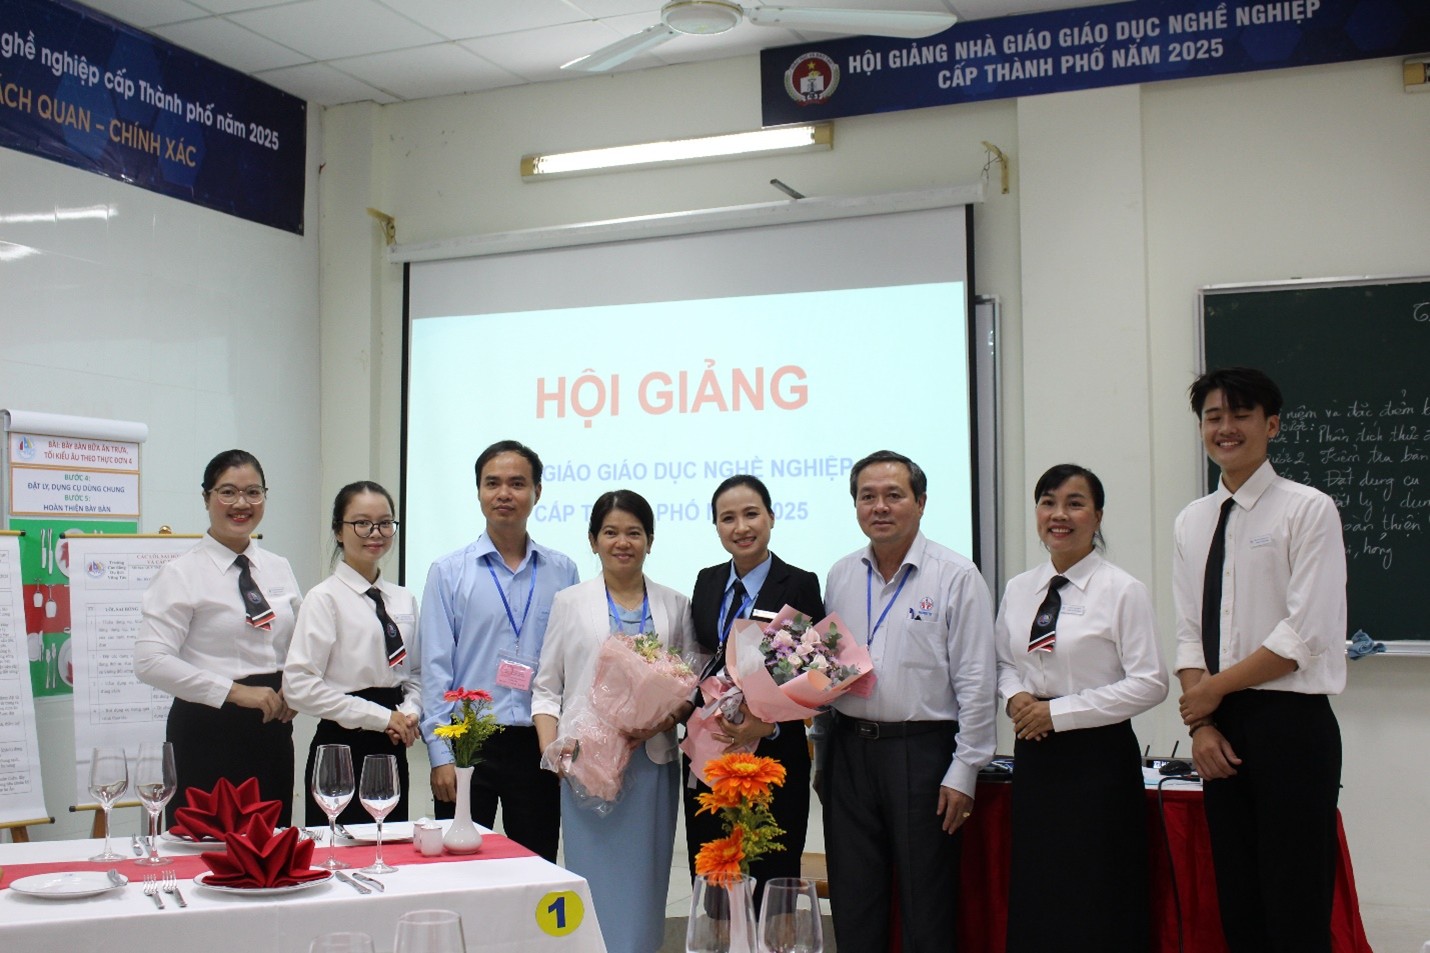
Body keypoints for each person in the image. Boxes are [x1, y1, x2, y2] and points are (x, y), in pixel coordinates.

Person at [1173, 367, 1347, 953]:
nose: (1225, 427)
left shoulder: (1308, 509)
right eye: (1213, 417)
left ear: (1271, 425)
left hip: (1291, 725)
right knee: (1239, 903)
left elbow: (1304, 635)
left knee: (1295, 904)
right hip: (1219, 729)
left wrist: (1211, 691)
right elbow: (1188, 632)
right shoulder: (1192, 520)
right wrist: (1201, 724)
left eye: (1241, 415)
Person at [821, 450, 996, 953]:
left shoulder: (956, 575)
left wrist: (965, 769)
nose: (880, 507)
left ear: (920, 503)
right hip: (849, 752)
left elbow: (976, 679)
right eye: (867, 496)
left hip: (922, 754)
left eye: (893, 495)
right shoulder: (841, 574)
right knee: (854, 901)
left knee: (926, 905)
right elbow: (829, 669)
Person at [994, 464, 1168, 953]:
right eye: (1048, 502)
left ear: (1098, 515)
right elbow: (1002, 662)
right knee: (1041, 887)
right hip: (1035, 753)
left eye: (1074, 503)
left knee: (1098, 890)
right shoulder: (1019, 588)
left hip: (1098, 758)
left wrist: (1059, 713)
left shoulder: (1122, 590)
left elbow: (1151, 683)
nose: (1059, 515)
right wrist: (1016, 697)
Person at [533, 489, 697, 953]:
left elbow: (690, 686)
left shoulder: (674, 604)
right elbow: (546, 687)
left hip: (652, 763)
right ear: (593, 540)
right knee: (592, 880)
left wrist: (664, 717)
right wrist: (553, 752)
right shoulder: (569, 602)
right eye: (610, 532)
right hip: (586, 764)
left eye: (634, 533)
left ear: (650, 541)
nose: (622, 542)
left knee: (646, 883)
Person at [419, 440, 579, 862]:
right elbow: (434, 668)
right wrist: (440, 755)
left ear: (537, 492)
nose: (504, 493)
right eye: (492, 483)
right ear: (478, 492)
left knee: (537, 865)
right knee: (461, 868)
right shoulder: (448, 572)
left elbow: (572, 666)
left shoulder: (562, 571)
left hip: (537, 742)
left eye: (517, 483)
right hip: (469, 742)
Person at [135, 449, 303, 825]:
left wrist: (296, 686)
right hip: (207, 727)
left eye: (253, 492)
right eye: (228, 492)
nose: (241, 504)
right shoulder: (181, 573)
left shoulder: (278, 567)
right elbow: (149, 661)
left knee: (268, 846)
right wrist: (235, 692)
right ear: (206, 497)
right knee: (204, 847)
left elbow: (300, 644)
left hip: (271, 728)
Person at [683, 475, 823, 903]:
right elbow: (701, 659)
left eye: (751, 514)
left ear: (771, 517)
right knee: (714, 881)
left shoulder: (798, 583)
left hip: (774, 756)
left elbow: (815, 677)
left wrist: (766, 726)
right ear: (716, 526)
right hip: (711, 755)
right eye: (728, 518)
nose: (741, 527)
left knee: (770, 881)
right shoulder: (707, 581)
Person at [284, 481, 420, 826]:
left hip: (392, 744)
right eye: (362, 523)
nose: (375, 533)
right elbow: (298, 686)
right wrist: (379, 717)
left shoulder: (403, 599)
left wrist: (409, 713)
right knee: (337, 850)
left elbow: (415, 675)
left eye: (385, 523)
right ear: (338, 531)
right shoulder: (324, 599)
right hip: (340, 746)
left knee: (388, 845)